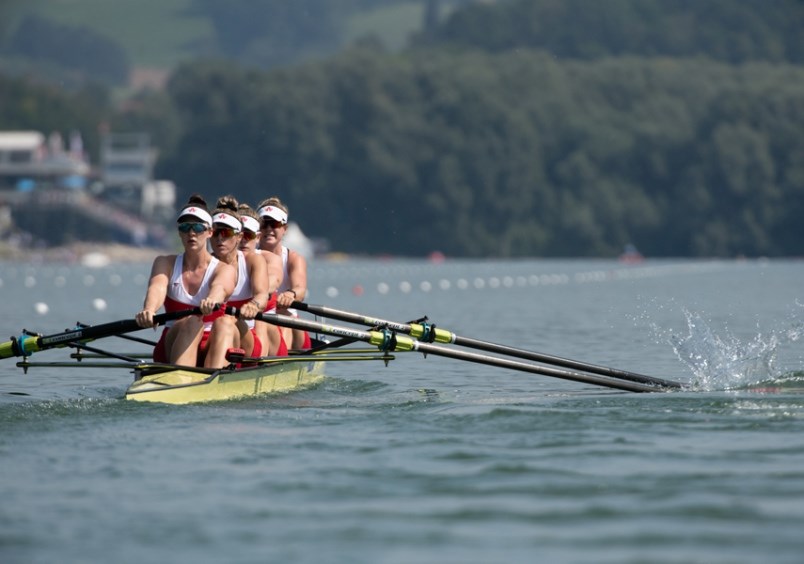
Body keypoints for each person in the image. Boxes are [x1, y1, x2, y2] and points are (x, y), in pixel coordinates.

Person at [135, 194, 236, 368]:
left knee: (226, 323)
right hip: (174, 341)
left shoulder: (224, 269)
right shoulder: (165, 263)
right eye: (185, 227)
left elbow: (220, 288)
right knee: (193, 321)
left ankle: (213, 381)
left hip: (214, 343)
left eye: (197, 227)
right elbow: (157, 288)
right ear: (179, 233)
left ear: (210, 232)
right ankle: (181, 381)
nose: (191, 233)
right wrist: (149, 309)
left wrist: (212, 300)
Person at [208, 196, 271, 359]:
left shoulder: (253, 261)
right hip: (209, 335)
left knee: (225, 322)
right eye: (215, 233)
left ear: (238, 236)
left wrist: (254, 305)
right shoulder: (205, 263)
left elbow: (262, 294)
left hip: (246, 338)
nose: (220, 239)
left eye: (226, 233)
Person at [257, 196, 310, 350]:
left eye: (274, 224)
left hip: (291, 326)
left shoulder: (293, 259)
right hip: (257, 319)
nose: (268, 229)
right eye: (264, 224)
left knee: (281, 314)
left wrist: (290, 295)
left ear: (284, 229)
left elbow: (300, 289)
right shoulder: (247, 255)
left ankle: (278, 363)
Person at [238, 203, 288, 356]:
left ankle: (258, 365)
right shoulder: (218, 262)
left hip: (264, 330)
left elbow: (273, 280)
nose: (244, 241)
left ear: (257, 237)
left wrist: (257, 299)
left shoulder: (269, 259)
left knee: (261, 320)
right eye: (240, 235)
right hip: (233, 330)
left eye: (249, 235)